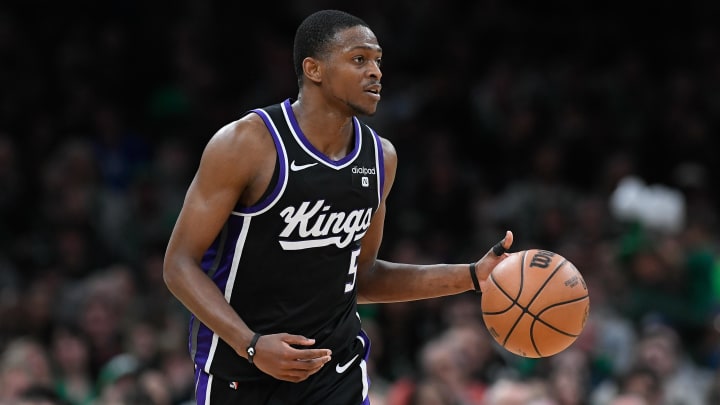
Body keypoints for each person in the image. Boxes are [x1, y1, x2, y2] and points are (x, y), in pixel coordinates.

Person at [163, 9, 514, 405]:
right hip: (242, 371)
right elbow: (178, 264)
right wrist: (252, 344)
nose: (376, 72)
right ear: (313, 69)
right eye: (359, 59)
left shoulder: (381, 157)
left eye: (379, 61)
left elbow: (363, 278)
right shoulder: (247, 143)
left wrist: (470, 276)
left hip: (336, 372)